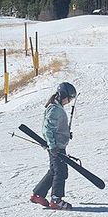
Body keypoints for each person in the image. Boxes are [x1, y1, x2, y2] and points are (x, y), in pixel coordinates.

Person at [30, 82, 77, 210]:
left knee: (54, 171)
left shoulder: (56, 107)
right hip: (56, 147)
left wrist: (66, 134)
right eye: (69, 98)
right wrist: (53, 145)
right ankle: (56, 199)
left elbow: (55, 128)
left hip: (57, 145)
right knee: (61, 172)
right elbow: (47, 129)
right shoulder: (55, 109)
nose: (69, 101)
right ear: (63, 95)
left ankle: (38, 194)